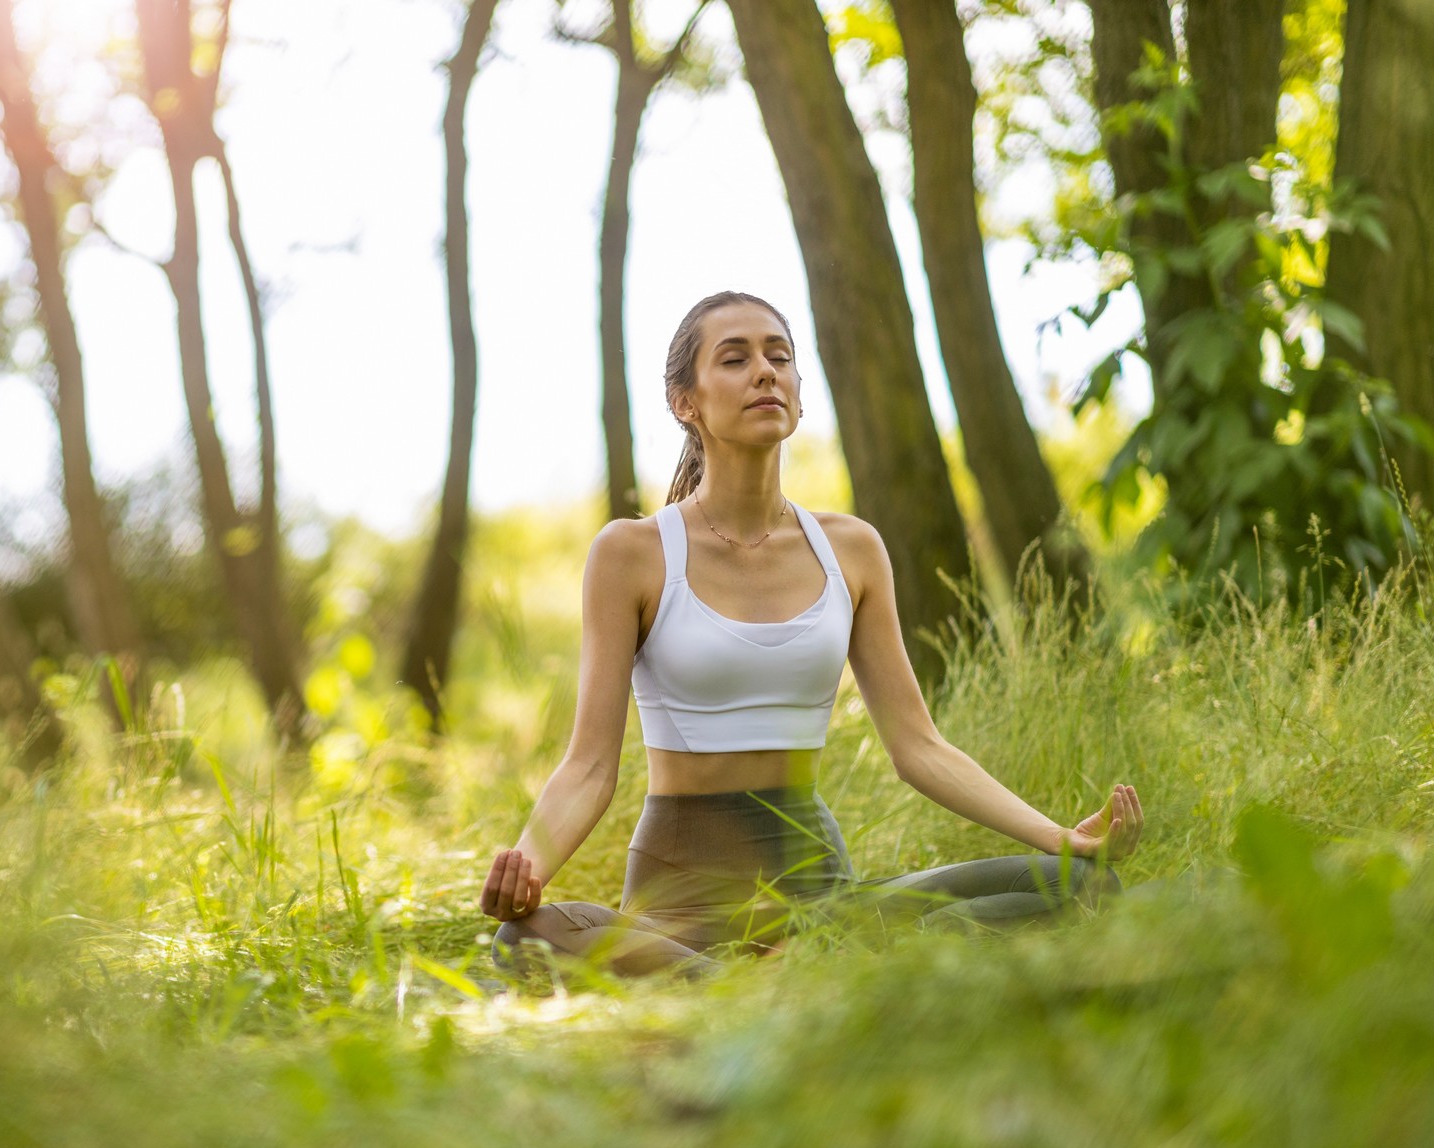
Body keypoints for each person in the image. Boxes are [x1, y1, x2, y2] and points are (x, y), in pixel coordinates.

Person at [480, 291, 1142, 979]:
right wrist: (528, 864)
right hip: (678, 910)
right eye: (734, 359)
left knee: (1083, 885)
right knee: (524, 937)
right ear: (686, 401)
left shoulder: (851, 549)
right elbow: (590, 766)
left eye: (780, 356)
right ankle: (795, 980)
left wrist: (1062, 838)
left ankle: (801, 973)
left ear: (798, 390)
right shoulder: (634, 553)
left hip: (821, 898)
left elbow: (919, 747)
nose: (765, 372)